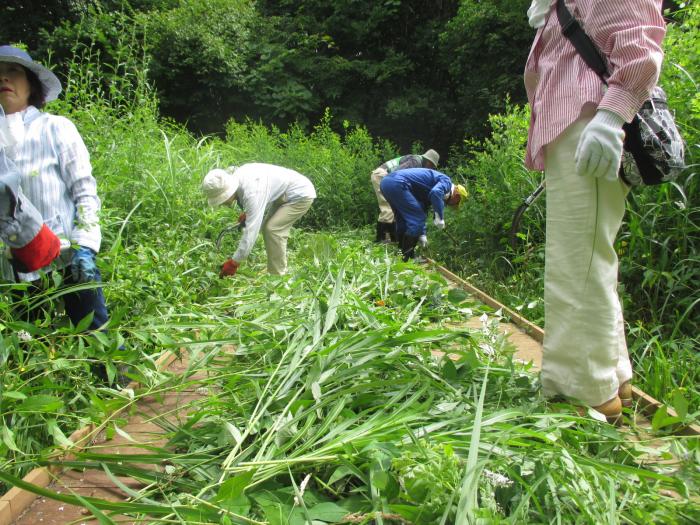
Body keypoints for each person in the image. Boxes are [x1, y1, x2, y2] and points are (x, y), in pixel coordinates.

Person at [524, 0, 666, 421]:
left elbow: (640, 45)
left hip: (590, 127)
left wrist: (611, 117)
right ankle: (610, 376)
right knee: (589, 258)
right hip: (579, 130)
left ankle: (582, 394)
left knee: (575, 265)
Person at [0, 45, 111, 334]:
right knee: (29, 348)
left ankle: (115, 381)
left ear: (31, 83)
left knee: (96, 336)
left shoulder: (55, 128)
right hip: (16, 265)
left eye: (13, 71)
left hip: (65, 255)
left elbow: (84, 189)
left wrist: (85, 246)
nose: (4, 79)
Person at [202, 163, 316, 277]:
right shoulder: (239, 178)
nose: (222, 203)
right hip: (283, 193)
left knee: (273, 229)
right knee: (268, 228)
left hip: (300, 194)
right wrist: (249, 213)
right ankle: (276, 270)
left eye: (221, 200)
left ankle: (278, 277)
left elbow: (251, 233)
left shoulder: (252, 191)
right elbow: (266, 191)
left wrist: (234, 263)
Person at [379, 167, 466, 261]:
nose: (453, 205)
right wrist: (439, 217)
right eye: (457, 203)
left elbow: (422, 209)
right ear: (457, 196)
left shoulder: (431, 190)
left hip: (387, 183)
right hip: (398, 183)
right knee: (416, 219)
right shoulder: (446, 182)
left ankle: (401, 255)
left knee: (403, 219)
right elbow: (436, 192)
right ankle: (407, 258)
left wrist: (422, 234)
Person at [370, 149, 440, 243]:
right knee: (388, 208)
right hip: (382, 175)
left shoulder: (418, 163)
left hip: (386, 176)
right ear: (428, 161)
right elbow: (397, 173)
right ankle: (382, 240)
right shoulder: (415, 162)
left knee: (394, 208)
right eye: (431, 166)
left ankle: (391, 240)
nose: (431, 169)